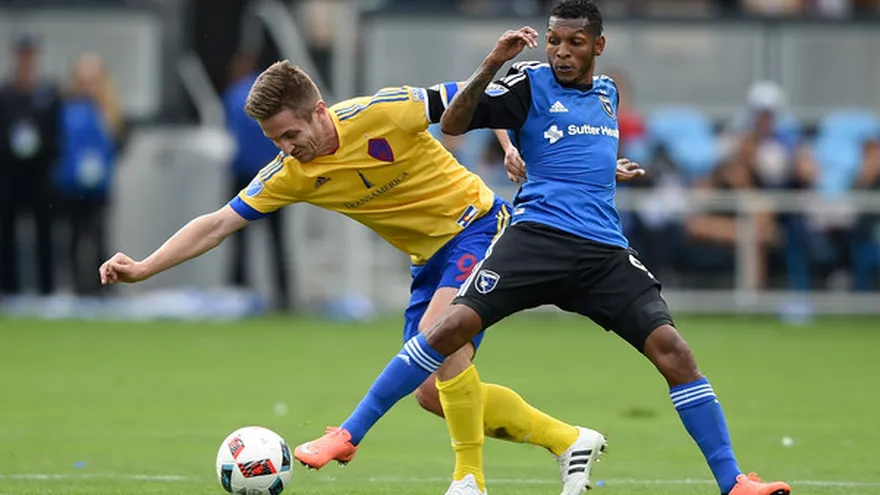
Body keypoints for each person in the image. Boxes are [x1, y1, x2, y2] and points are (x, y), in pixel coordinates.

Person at [295, 2, 792, 495]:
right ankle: (347, 434)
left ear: (598, 46)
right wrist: (492, 65)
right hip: (537, 239)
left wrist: (607, 168)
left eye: (574, 42)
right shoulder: (528, 83)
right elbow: (452, 122)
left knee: (675, 352)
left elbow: (576, 147)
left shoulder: (608, 94)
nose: (561, 52)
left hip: (602, 252)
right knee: (450, 329)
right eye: (554, 41)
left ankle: (734, 483)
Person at [98, 60, 644, 495]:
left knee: (440, 337)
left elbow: (484, 96)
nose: (286, 148)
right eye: (274, 142)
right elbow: (217, 224)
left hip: (478, 227)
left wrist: (515, 148)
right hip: (427, 261)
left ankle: (468, 480)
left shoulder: (384, 110)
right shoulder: (294, 173)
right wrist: (145, 267)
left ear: (317, 111)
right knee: (431, 392)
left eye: (290, 134)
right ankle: (569, 440)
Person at [223, 52, 292, 310]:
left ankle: (238, 291)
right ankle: (283, 294)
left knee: (234, 233)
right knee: (277, 240)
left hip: (244, 175)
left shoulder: (233, 95)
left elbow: (231, 131)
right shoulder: (277, 100)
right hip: (275, 174)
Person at [0, 33, 62, 296]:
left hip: (40, 175)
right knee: (6, 233)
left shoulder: (47, 93)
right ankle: (9, 289)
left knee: (45, 231)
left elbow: (57, 133)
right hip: (10, 175)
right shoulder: (5, 93)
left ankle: (46, 290)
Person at [56, 53, 121, 295]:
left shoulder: (107, 110)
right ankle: (77, 288)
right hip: (72, 186)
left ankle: (101, 287)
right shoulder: (68, 109)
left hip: (99, 187)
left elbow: (115, 143)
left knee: (99, 238)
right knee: (73, 239)